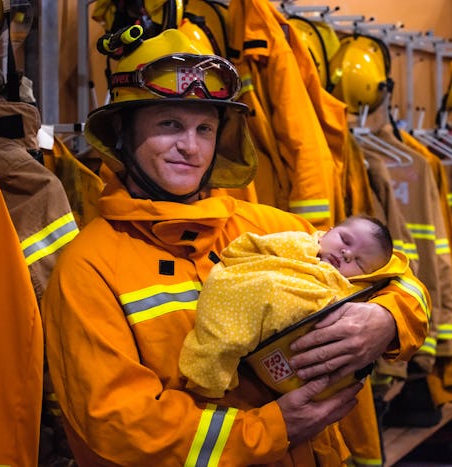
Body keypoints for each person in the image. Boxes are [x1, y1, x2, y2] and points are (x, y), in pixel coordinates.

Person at [41, 27, 430, 466]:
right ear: (121, 134)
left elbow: (397, 275)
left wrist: (386, 319)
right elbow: (120, 426)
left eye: (204, 128)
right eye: (169, 124)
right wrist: (274, 428)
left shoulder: (264, 226)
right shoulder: (88, 270)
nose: (189, 147)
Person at [180, 214, 412, 399]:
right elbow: (250, 249)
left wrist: (386, 317)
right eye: (345, 240)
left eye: (360, 262)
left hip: (301, 375)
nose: (347, 253)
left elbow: (402, 289)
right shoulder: (298, 240)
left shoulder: (359, 290)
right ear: (328, 231)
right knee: (264, 288)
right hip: (253, 314)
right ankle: (209, 368)